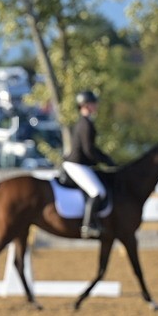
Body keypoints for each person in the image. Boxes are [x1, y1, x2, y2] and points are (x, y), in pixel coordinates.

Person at [63, 90, 115, 239]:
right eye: (93, 103)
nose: (96, 105)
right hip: (76, 165)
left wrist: (104, 158)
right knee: (97, 192)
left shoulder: (84, 122)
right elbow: (88, 150)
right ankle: (88, 226)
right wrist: (103, 161)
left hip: (78, 164)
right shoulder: (86, 124)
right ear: (85, 105)